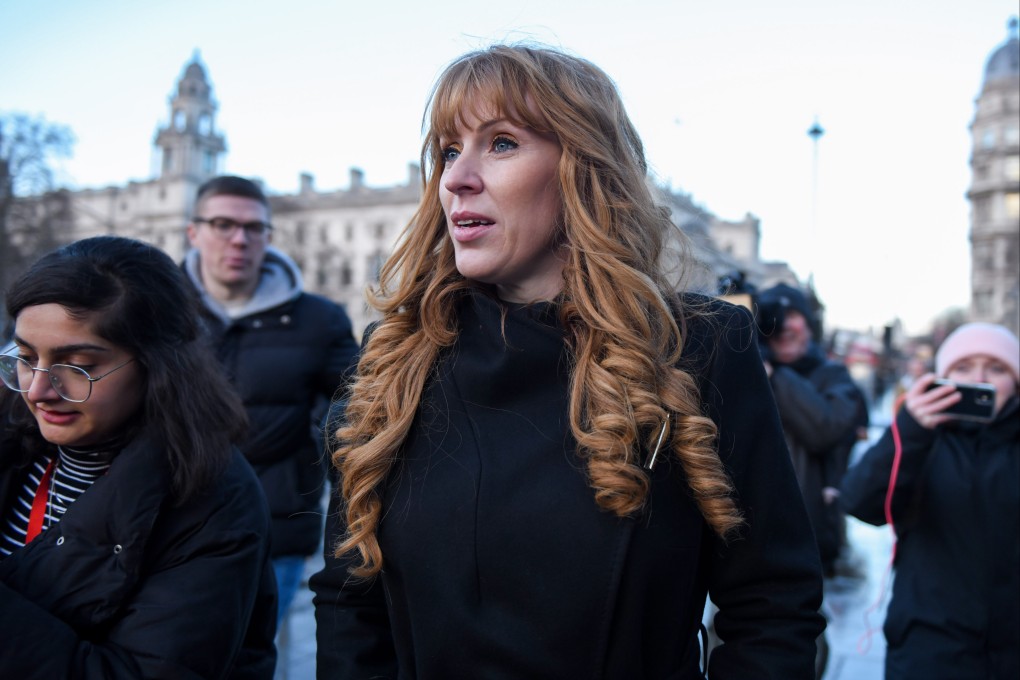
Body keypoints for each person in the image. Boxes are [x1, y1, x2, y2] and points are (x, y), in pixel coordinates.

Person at [310, 44, 824, 679]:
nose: (457, 178)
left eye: (500, 144)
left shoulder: (700, 347)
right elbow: (348, 600)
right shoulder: (395, 361)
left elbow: (773, 603)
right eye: (448, 150)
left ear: (583, 168)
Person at [0, 235, 276, 678]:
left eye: (79, 366)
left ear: (157, 363)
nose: (38, 390)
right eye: (27, 358)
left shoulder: (216, 501)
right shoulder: (13, 431)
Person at [183, 175, 360, 629]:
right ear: (194, 232)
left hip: (273, 530)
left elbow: (364, 408)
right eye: (223, 224)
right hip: (171, 527)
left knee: (254, 657)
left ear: (268, 235)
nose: (239, 239)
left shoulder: (320, 319)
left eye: (254, 227)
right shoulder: (156, 313)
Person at [841, 322, 1019, 680]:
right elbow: (861, 502)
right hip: (930, 648)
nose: (979, 378)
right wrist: (909, 430)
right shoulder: (921, 436)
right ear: (943, 375)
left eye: (996, 368)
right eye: (963, 368)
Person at [756, 282, 867, 578]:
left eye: (792, 315)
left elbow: (826, 429)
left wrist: (774, 375)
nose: (783, 326)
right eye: (774, 317)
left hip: (809, 537)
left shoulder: (834, 376)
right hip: (746, 537)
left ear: (808, 323)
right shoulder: (746, 374)